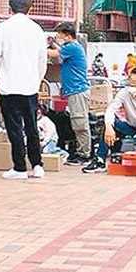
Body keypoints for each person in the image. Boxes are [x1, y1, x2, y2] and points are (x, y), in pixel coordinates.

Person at [0, 0, 47, 180]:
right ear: (31, 8)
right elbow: (42, 59)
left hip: (9, 85)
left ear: (10, 8)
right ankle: (37, 165)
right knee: (32, 127)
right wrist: (37, 80)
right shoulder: (37, 29)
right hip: (30, 86)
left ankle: (19, 167)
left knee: (14, 128)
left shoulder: (3, 28)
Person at [82, 67, 136, 173]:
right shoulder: (124, 92)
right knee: (109, 121)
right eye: (130, 83)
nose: (132, 87)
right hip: (130, 127)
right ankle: (100, 160)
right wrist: (109, 127)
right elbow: (111, 109)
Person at [47, 22, 92, 165]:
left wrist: (37, 47)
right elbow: (59, 50)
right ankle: (81, 151)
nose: (58, 37)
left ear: (67, 35)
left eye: (59, 34)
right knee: (76, 121)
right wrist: (53, 44)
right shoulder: (72, 47)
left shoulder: (72, 47)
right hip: (74, 90)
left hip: (77, 90)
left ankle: (84, 154)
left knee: (80, 123)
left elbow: (54, 54)